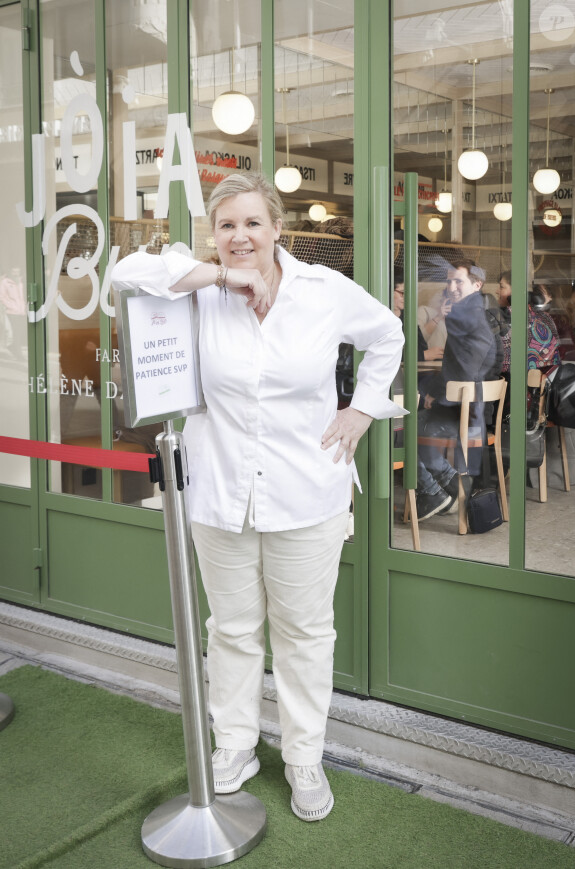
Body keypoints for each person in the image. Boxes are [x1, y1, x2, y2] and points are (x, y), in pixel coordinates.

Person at [111, 172, 405, 822]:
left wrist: (363, 409)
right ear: (213, 235)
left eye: (251, 223)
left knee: (303, 633)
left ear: (277, 228)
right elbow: (126, 276)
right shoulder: (203, 290)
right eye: (226, 226)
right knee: (234, 631)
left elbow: (388, 334)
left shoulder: (323, 292)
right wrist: (219, 278)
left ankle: (304, 758)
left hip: (308, 492)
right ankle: (235, 747)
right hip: (219, 494)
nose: (239, 236)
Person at [414, 260, 500, 520]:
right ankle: (447, 485)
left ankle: (435, 491)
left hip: (466, 414)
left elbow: (464, 371)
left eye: (458, 281)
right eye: (449, 281)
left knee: (406, 428)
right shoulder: (475, 312)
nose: (451, 286)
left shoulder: (469, 317)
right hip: (473, 410)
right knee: (416, 423)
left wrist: (434, 394)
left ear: (477, 284)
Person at [392, 269, 445, 363]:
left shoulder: (408, 316)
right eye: (402, 293)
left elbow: (421, 346)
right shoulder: (381, 319)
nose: (406, 297)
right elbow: (385, 354)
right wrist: (423, 355)